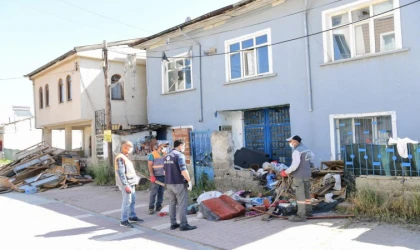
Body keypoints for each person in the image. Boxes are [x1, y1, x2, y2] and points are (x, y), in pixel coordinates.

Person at [163, 139, 197, 231]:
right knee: (182, 204)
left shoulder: (167, 155)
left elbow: (165, 171)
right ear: (180, 145)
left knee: (172, 203)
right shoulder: (179, 155)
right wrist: (189, 181)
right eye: (184, 146)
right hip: (178, 183)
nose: (184, 148)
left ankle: (173, 223)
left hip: (169, 183)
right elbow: (183, 170)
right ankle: (183, 224)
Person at [283, 135, 314, 222]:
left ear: (296, 142)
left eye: (290, 141)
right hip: (307, 175)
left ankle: (301, 215)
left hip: (299, 176)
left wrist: (286, 172)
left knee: (300, 196)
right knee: (307, 194)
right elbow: (312, 156)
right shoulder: (306, 149)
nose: (290, 143)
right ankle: (309, 212)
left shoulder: (296, 151)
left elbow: (295, 165)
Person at [115, 140, 143, 228]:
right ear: (125, 147)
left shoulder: (125, 157)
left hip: (131, 182)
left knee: (132, 200)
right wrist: (125, 185)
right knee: (127, 201)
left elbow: (129, 171)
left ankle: (132, 216)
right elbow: (121, 173)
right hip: (126, 183)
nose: (131, 149)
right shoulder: (120, 158)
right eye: (130, 147)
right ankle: (123, 221)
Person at [147, 140, 169, 214]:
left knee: (161, 192)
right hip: (156, 176)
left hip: (163, 176)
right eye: (164, 146)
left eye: (166, 146)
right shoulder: (152, 154)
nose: (166, 147)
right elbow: (150, 165)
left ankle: (159, 206)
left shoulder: (165, 154)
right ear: (159, 146)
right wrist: (152, 175)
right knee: (154, 192)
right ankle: (151, 207)